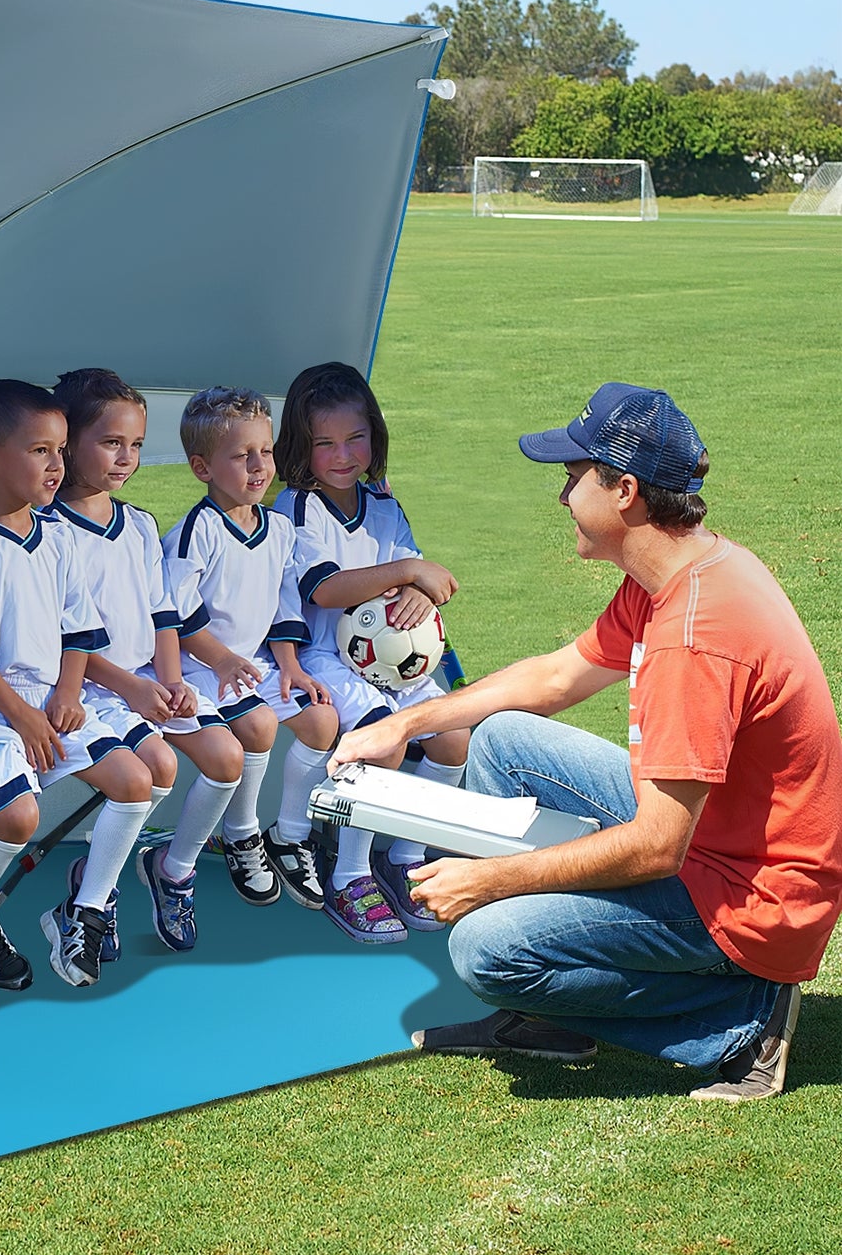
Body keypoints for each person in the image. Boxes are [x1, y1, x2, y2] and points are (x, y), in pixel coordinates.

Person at [330, 382, 842, 1100]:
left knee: (482, 947)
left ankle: (740, 1018)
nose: (561, 493)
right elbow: (554, 675)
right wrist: (403, 722)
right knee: (505, 740)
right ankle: (552, 1016)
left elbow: (657, 845)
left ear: (624, 490)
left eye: (573, 476)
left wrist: (488, 882)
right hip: (727, 843)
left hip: (755, 898)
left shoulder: (691, 638)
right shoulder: (679, 570)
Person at [0, 379, 154, 989]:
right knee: (16, 820)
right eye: (41, 451)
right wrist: (25, 716)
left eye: (62, 450)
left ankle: (83, 911)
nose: (57, 465)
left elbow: (78, 631)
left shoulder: (56, 536)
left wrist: (66, 693)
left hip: (54, 701)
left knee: (134, 781)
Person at [50, 368, 244, 954]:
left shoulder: (138, 525)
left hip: (144, 680)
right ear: (67, 443)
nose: (126, 458)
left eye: (135, 445)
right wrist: (130, 689)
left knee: (226, 757)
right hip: (85, 686)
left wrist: (172, 679)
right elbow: (64, 635)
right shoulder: (46, 529)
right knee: (153, 770)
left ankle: (173, 868)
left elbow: (164, 615)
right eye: (111, 443)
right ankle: (93, 890)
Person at [274, 361, 469, 944]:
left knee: (453, 733)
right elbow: (326, 590)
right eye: (324, 443)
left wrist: (416, 588)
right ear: (300, 447)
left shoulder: (383, 504)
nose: (342, 454)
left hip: (392, 656)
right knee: (383, 737)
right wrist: (409, 570)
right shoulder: (296, 508)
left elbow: (431, 579)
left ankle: (404, 854)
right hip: (323, 654)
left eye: (356, 437)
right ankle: (350, 873)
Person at [161, 387, 340, 912]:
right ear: (203, 468)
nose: (260, 466)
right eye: (242, 456)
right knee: (259, 726)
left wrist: (290, 667)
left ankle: (289, 833)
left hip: (253, 663)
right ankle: (241, 835)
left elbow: (285, 605)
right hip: (200, 666)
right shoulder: (197, 531)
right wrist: (220, 659)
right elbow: (173, 616)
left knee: (321, 720)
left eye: (266, 450)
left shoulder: (279, 528)